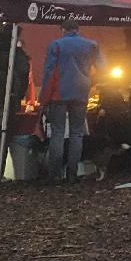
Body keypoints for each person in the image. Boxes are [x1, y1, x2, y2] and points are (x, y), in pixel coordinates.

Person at [38, 24, 101, 182]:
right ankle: (72, 174)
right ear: (78, 29)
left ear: (63, 30)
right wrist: (90, 82)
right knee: (77, 133)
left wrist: (44, 98)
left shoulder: (56, 45)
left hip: (58, 95)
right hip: (81, 93)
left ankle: (55, 175)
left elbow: (49, 73)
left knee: (57, 133)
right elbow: (103, 68)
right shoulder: (91, 45)